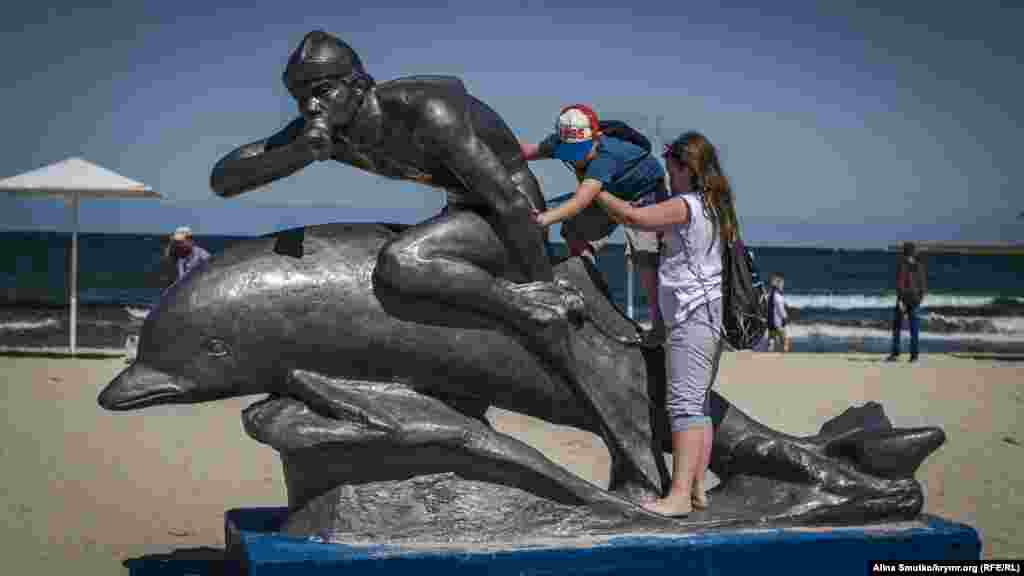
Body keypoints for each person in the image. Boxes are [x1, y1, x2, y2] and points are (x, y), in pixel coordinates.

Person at [210, 30, 577, 344]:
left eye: (322, 91)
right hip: (464, 210)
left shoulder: (425, 110)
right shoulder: (326, 132)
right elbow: (224, 180)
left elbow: (509, 202)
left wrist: (543, 286)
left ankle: (518, 305)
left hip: (515, 213)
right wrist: (298, 153)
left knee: (403, 259)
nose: (311, 107)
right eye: (300, 98)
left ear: (358, 85)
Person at [592, 130, 737, 517]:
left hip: (692, 317)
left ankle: (678, 497)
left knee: (684, 407)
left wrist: (594, 190)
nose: (669, 179)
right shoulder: (713, 204)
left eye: (672, 171)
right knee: (698, 406)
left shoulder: (687, 205)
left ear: (688, 169)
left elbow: (633, 218)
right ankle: (696, 490)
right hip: (706, 316)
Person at [520, 105, 665, 339]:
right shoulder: (560, 144)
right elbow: (527, 151)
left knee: (644, 254)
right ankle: (594, 290)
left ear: (596, 139)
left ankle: (658, 323)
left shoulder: (605, 156)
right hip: (608, 190)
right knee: (574, 231)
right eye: (570, 151)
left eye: (580, 150)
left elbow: (581, 200)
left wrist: (543, 219)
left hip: (644, 193)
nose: (575, 156)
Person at [886, 242, 927, 362]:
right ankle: (914, 356)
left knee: (897, 327)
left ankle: (896, 354)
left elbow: (900, 284)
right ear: (914, 253)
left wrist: (900, 300)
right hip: (914, 300)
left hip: (904, 299)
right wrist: (919, 299)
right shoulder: (919, 266)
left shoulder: (902, 265)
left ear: (905, 252)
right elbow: (923, 286)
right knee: (914, 329)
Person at [766, 273, 790, 352]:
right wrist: (785, 317)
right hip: (778, 322)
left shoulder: (769, 295)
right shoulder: (778, 296)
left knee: (771, 339)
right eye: (782, 284)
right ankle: (785, 354)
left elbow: (768, 308)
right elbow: (780, 309)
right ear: (778, 285)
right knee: (785, 339)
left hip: (770, 321)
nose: (783, 286)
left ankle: (770, 352)